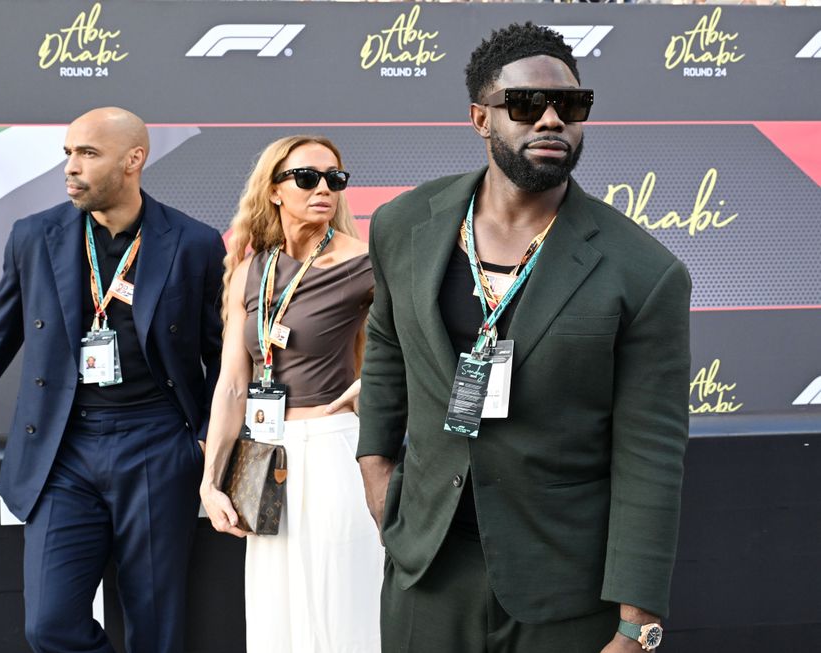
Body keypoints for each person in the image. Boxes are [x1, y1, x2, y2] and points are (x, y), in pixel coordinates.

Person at [357, 23, 690, 653]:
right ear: (481, 118)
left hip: (562, 585)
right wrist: (376, 468)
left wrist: (638, 622)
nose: (552, 121)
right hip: (426, 567)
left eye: (570, 106)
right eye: (526, 105)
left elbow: (651, 454)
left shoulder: (643, 271)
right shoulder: (404, 224)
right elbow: (386, 346)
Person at [0, 107, 225, 653]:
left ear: (134, 159)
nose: (71, 167)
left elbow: (221, 351)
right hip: (62, 450)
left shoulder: (195, 242)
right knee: (49, 625)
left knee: (157, 629)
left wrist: (208, 431)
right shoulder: (33, 237)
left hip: (156, 445)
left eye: (88, 153)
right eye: (68, 153)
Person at [199, 135, 382, 653]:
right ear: (275, 190)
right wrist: (211, 482)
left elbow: (433, 334)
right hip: (262, 452)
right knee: (278, 613)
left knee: (345, 602)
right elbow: (233, 382)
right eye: (307, 177)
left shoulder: (365, 260)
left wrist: (376, 383)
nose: (324, 188)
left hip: (332, 447)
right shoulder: (251, 269)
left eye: (335, 179)